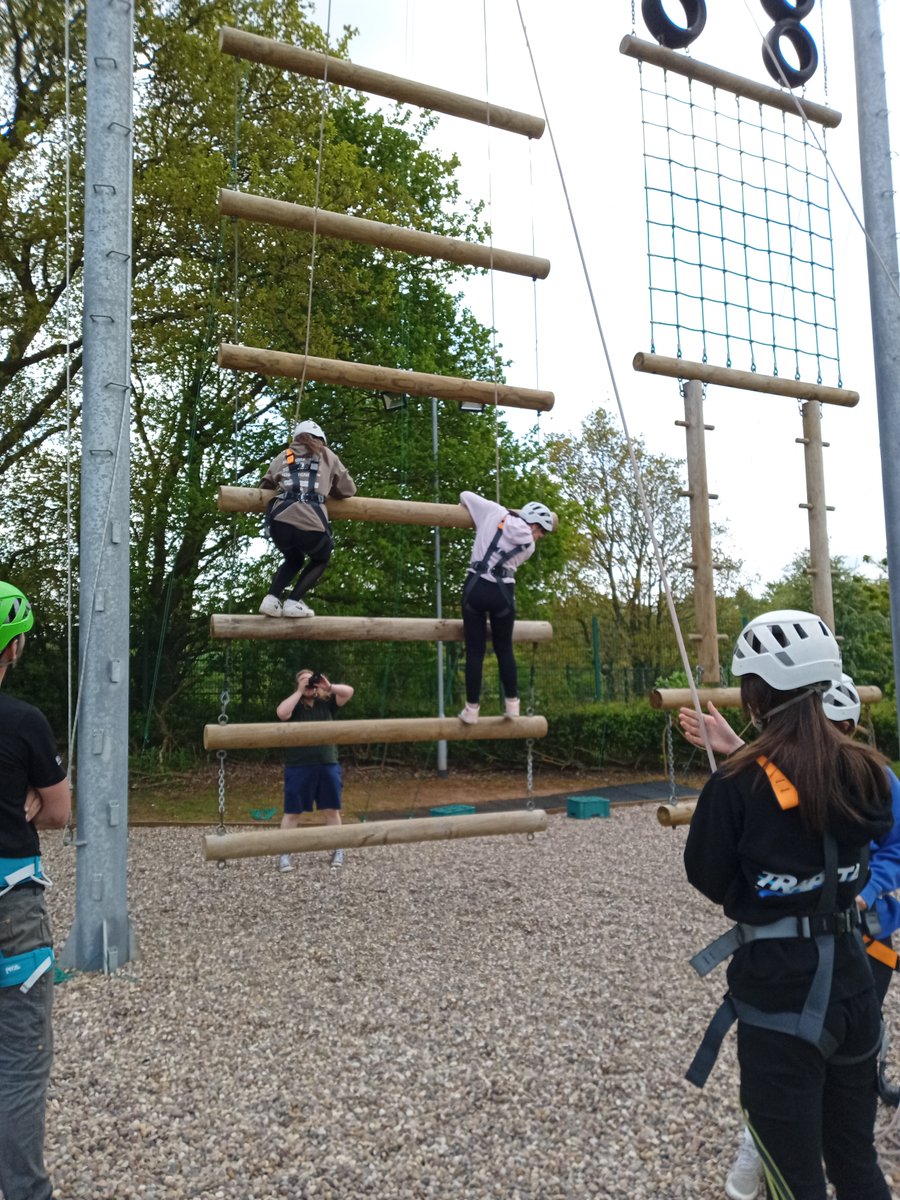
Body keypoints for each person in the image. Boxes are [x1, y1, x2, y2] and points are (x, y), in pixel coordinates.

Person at [682, 610, 893, 1200]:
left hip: (780, 1001)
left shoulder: (736, 786)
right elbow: (859, 845)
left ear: (754, 693)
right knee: (855, 1163)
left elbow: (708, 876)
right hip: (855, 989)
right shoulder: (865, 770)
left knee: (793, 1179)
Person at [0, 581, 71, 1200]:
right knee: (20, 1060)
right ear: (13, 647)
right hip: (9, 907)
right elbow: (57, 812)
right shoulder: (24, 723)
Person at [457, 490, 555, 723]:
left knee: (475, 651)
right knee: (504, 649)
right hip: (503, 593)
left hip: (475, 588)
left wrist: (485, 515)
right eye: (538, 529)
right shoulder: (528, 548)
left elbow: (465, 496)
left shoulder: (493, 511)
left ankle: (471, 711)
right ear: (530, 521)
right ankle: (512, 706)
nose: (538, 536)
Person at [258, 419, 356, 618]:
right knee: (321, 557)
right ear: (321, 439)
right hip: (311, 525)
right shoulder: (328, 455)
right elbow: (348, 490)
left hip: (280, 523)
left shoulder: (284, 455)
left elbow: (265, 485)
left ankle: (271, 598)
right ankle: (293, 601)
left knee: (294, 559)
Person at [275, 668, 354, 873]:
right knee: (292, 812)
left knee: (331, 810)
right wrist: (300, 692)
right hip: (298, 766)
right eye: (303, 681)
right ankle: (284, 853)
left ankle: (338, 848)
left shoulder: (327, 703)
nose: (308, 684)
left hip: (327, 764)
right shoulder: (294, 706)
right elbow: (282, 713)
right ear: (297, 684)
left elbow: (348, 691)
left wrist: (328, 687)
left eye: (310, 681)